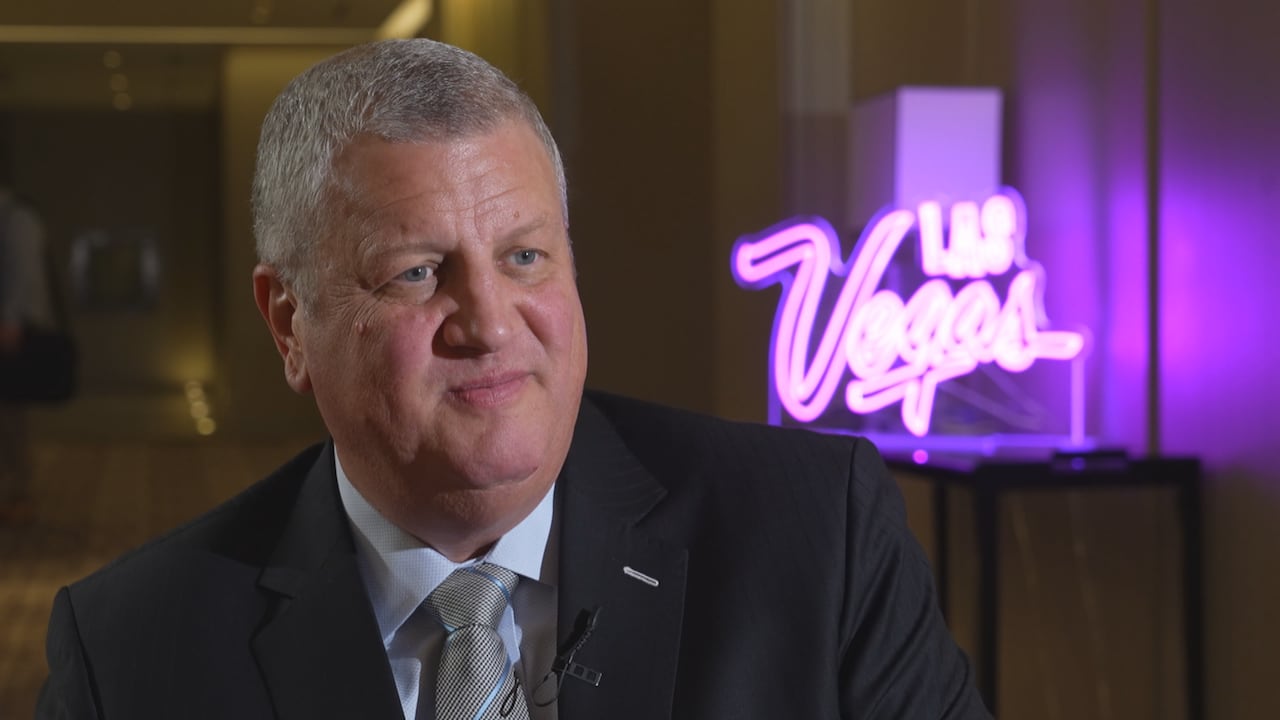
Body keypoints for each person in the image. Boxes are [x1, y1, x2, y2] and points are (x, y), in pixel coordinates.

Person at [36, 39, 990, 719]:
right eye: (418, 272)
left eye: (526, 258)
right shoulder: (133, 649)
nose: (491, 323)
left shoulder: (818, 537)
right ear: (290, 322)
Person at [0, 184, 54, 524]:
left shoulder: (17, 217)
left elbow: (24, 274)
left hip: (9, 332)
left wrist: (11, 320)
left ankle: (19, 495)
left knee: (11, 417)